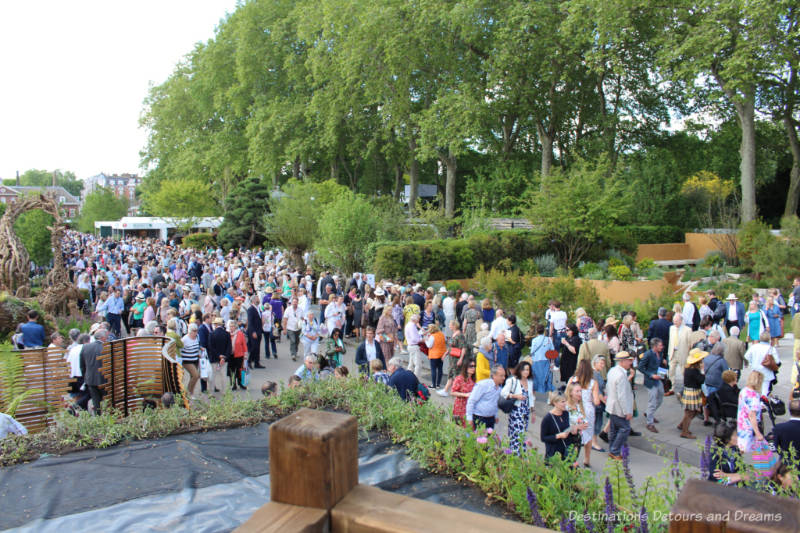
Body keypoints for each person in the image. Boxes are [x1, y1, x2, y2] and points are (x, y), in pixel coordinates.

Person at [605, 351, 635, 460]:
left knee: (614, 429)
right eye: (628, 361)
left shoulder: (612, 371)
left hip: (611, 405)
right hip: (619, 407)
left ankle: (612, 450)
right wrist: (627, 411)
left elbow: (609, 388)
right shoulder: (621, 375)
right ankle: (615, 450)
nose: (630, 363)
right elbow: (622, 396)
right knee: (624, 428)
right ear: (622, 362)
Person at [501, 361, 534, 455]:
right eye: (524, 370)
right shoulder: (513, 380)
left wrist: (533, 410)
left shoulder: (530, 382)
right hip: (516, 411)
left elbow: (531, 397)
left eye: (528, 370)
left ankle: (520, 454)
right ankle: (515, 454)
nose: (526, 372)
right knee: (516, 433)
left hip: (525, 411)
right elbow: (503, 393)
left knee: (522, 433)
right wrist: (515, 396)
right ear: (519, 370)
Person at [569, 360, 598, 466]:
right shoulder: (593, 383)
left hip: (575, 408)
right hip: (588, 410)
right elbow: (596, 401)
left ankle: (573, 458)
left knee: (575, 435)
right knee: (588, 435)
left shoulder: (573, 380)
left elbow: (566, 393)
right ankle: (587, 459)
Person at [541, 393, 583, 460]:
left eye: (566, 401)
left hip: (566, 452)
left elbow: (567, 429)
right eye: (563, 402)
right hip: (554, 453)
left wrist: (574, 429)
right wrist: (558, 436)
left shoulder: (566, 413)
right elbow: (543, 438)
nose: (565, 403)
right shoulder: (547, 418)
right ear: (555, 403)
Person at [465, 365, 505, 430]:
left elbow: (495, 403)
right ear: (494, 376)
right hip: (479, 417)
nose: (503, 378)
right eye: (501, 376)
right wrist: (469, 418)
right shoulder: (483, 385)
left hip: (491, 418)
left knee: (489, 439)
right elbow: (471, 401)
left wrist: (496, 415)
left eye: (504, 375)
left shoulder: (499, 388)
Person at [638, 337, 665, 433]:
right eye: (660, 345)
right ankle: (650, 423)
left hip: (658, 379)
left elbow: (660, 363)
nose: (662, 347)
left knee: (660, 397)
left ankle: (649, 413)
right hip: (651, 381)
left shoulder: (660, 353)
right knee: (652, 401)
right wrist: (651, 375)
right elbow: (640, 367)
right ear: (655, 346)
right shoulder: (648, 354)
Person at [679, 348, 707, 439]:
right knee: (690, 412)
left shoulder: (688, 368)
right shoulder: (693, 371)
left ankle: (682, 425)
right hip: (692, 392)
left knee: (694, 411)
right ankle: (684, 432)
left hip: (690, 391)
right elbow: (702, 380)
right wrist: (703, 371)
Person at [80, 328, 108, 414]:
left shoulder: (85, 347)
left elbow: (82, 365)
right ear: (103, 338)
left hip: (90, 379)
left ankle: (98, 419)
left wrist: (85, 376)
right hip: (105, 379)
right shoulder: (107, 347)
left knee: (96, 403)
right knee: (108, 402)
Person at [737, 370, 765, 454]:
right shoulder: (754, 396)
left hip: (741, 423)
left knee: (741, 449)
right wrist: (758, 433)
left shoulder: (744, 390)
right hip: (749, 427)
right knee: (755, 452)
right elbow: (752, 415)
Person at [702, 343, 730, 426]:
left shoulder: (706, 358)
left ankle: (706, 418)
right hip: (716, 384)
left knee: (706, 402)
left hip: (706, 383)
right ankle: (717, 419)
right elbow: (726, 372)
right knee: (716, 403)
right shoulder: (721, 360)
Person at [438, 320, 468, 397]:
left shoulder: (460, 335)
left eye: (450, 325)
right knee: (451, 374)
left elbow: (463, 347)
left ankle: (459, 391)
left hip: (456, 358)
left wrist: (461, 359)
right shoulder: (454, 334)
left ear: (454, 326)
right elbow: (451, 346)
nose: (449, 326)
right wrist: (445, 353)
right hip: (452, 358)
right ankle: (445, 390)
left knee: (456, 375)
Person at [744, 331, 777, 396]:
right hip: (766, 371)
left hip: (755, 370)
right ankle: (763, 402)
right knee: (765, 389)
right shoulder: (771, 348)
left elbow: (746, 356)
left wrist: (751, 362)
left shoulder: (754, 347)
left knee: (755, 387)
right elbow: (777, 361)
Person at [208, 317, 231, 393]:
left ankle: (211, 392)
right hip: (224, 359)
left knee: (212, 376)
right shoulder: (227, 334)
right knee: (223, 376)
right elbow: (229, 347)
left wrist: (218, 355)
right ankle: (224, 392)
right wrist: (224, 357)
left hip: (214, 358)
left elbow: (211, 347)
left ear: (216, 325)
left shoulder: (212, 334)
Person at [667, 313, 690, 390]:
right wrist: (669, 352)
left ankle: (686, 388)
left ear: (681, 321)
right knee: (671, 371)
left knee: (684, 372)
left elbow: (689, 343)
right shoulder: (671, 328)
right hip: (673, 353)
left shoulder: (687, 330)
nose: (675, 322)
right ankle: (671, 388)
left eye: (676, 321)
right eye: (674, 321)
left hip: (683, 353)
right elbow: (671, 341)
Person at [451, 359, 476, 426]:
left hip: (470, 408)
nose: (473, 368)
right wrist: (465, 395)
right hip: (460, 408)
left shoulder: (474, 380)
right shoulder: (459, 378)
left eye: (474, 366)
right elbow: (453, 392)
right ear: (466, 367)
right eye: (471, 366)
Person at [530, 325, 555, 392]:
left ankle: (533, 396)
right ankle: (550, 396)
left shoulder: (534, 340)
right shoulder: (548, 339)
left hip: (536, 361)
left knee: (535, 378)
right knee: (547, 378)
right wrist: (552, 363)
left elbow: (532, 352)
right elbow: (552, 351)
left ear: (536, 331)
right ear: (544, 331)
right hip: (546, 361)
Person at [180, 323, 202, 399]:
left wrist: (199, 352)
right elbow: (180, 350)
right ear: (189, 331)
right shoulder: (184, 339)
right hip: (187, 361)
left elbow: (197, 346)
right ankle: (188, 392)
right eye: (194, 331)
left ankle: (191, 393)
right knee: (196, 375)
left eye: (196, 331)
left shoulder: (197, 337)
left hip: (195, 359)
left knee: (193, 377)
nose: (195, 333)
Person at [591, 355, 608, 451]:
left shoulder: (597, 373)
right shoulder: (595, 374)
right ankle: (594, 442)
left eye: (603, 363)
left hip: (596, 401)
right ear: (595, 363)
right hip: (596, 402)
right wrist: (604, 400)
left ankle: (591, 441)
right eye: (601, 363)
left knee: (596, 421)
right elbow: (598, 391)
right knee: (597, 422)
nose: (603, 365)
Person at [425, 323, 446, 389]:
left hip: (434, 355)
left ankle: (433, 385)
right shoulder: (442, 334)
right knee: (440, 369)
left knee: (433, 370)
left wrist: (426, 340)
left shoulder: (432, 336)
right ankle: (438, 384)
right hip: (441, 354)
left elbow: (429, 345)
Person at [228, 319, 248, 390]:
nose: (231, 328)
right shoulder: (227, 334)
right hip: (230, 355)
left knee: (240, 370)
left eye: (233, 326)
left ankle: (241, 383)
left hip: (239, 354)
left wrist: (245, 354)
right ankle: (233, 384)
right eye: (230, 326)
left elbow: (244, 344)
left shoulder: (240, 334)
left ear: (235, 327)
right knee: (231, 370)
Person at [282, 297, 302, 361]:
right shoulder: (288, 309)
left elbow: (303, 319)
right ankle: (293, 354)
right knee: (293, 341)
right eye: (294, 302)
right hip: (290, 328)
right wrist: (284, 329)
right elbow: (285, 319)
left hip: (298, 328)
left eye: (296, 302)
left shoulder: (300, 310)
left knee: (297, 341)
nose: (295, 303)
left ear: (297, 303)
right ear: (292, 302)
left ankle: (295, 351)